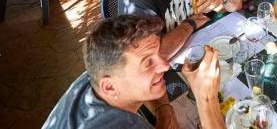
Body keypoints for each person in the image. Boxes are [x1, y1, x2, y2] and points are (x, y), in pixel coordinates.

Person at [42, 16, 226, 128]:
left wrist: (164, 111)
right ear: (110, 87)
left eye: (157, 55)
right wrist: (206, 98)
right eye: (148, 63)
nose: (165, 66)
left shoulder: (94, 77)